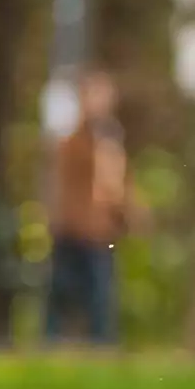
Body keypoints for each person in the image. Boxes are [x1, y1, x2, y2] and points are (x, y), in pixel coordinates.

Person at [45, 70, 135, 345]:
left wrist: (126, 211)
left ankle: (101, 347)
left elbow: (116, 184)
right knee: (60, 294)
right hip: (70, 228)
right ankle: (52, 344)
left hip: (100, 233)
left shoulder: (110, 136)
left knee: (100, 298)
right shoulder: (72, 137)